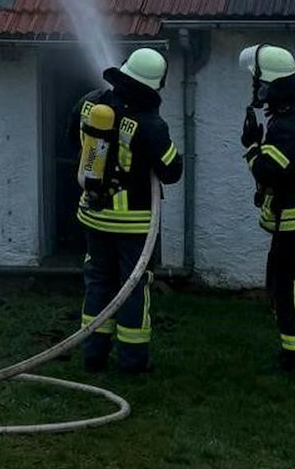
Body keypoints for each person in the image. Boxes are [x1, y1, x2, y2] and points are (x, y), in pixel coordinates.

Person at [77, 47, 184, 375]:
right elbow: (171, 170)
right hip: (133, 221)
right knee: (133, 284)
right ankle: (133, 361)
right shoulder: (150, 123)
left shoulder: (91, 104)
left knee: (97, 281)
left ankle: (94, 354)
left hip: (94, 213)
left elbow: (74, 141)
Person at [241, 44, 295, 374]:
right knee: (282, 286)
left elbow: (268, 171)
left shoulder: (287, 125)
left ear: (269, 85)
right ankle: (292, 350)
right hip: (292, 218)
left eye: (257, 82)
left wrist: (250, 146)